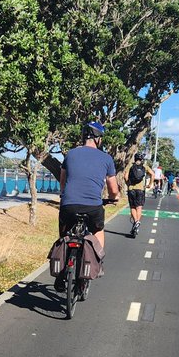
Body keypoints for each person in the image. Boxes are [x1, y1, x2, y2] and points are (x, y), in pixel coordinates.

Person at [55, 121, 119, 291]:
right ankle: (98, 261)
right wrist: (114, 198)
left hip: (69, 205)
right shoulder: (106, 158)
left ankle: (61, 269)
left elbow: (63, 179)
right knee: (98, 230)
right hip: (93, 206)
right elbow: (113, 189)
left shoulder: (70, 154)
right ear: (98, 139)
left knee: (64, 231)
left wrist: (64, 194)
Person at [126, 151, 149, 236]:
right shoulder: (144, 166)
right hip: (140, 190)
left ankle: (136, 222)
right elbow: (152, 174)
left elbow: (125, 176)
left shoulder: (130, 166)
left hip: (131, 189)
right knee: (139, 207)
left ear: (135, 158)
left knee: (132, 207)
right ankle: (137, 223)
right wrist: (150, 184)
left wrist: (128, 184)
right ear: (142, 159)